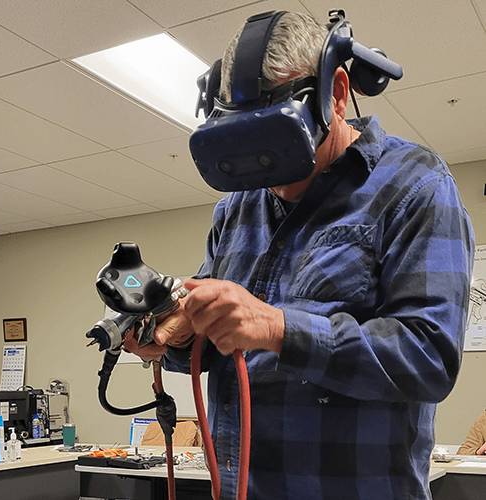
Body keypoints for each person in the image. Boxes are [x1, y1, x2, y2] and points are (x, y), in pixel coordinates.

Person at [123, 11, 475, 500]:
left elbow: (428, 358)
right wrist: (177, 337)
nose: (268, 172)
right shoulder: (237, 209)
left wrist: (277, 328)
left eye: (280, 139)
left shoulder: (416, 183)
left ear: (335, 91)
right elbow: (220, 343)